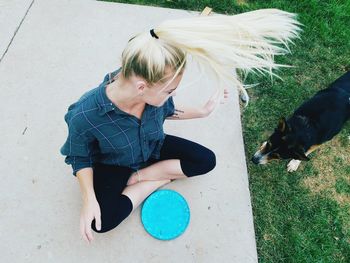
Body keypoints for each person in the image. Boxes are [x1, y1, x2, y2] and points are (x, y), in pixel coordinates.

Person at [60, 8, 300, 244]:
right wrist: (89, 197)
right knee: (100, 222)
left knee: (206, 160)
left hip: (151, 145)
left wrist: (202, 112)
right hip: (113, 162)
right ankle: (155, 181)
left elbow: (167, 111)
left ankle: (140, 176)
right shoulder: (86, 114)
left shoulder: (149, 83)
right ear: (142, 87)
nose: (171, 96)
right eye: (170, 91)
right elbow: (79, 157)